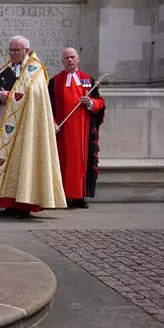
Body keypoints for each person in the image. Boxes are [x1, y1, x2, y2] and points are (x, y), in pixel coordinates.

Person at [0, 35, 67, 219]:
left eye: (16, 50)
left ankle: (23, 205)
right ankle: (7, 202)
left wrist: (12, 97)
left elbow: (36, 96)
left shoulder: (35, 71)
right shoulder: (5, 68)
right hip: (3, 126)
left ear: (26, 51)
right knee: (5, 163)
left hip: (25, 129)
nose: (12, 53)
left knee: (23, 163)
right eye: (10, 50)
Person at [48, 47, 107, 209]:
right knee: (62, 163)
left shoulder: (89, 80)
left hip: (83, 131)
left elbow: (100, 102)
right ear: (62, 61)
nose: (70, 60)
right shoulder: (54, 82)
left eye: (72, 57)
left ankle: (79, 196)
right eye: (66, 58)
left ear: (78, 59)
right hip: (61, 131)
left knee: (81, 164)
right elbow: (48, 106)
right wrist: (52, 122)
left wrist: (90, 103)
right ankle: (62, 195)